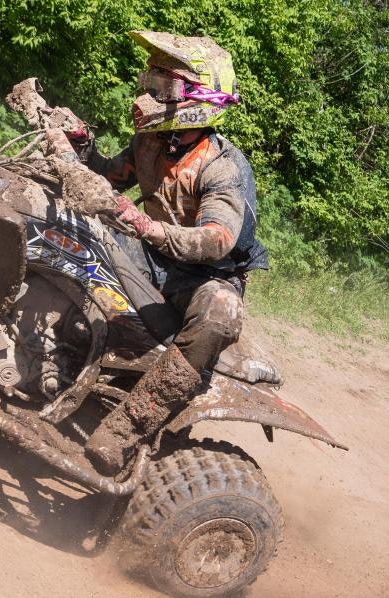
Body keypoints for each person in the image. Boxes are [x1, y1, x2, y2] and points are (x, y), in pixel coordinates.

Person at [70, 31, 269, 475]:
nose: (147, 96)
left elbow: (218, 238)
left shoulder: (222, 164)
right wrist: (80, 142)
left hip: (203, 277)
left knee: (221, 312)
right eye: (148, 83)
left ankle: (128, 428)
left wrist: (145, 225)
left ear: (195, 100)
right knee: (77, 228)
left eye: (161, 89)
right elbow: (108, 177)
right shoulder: (151, 142)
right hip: (148, 255)